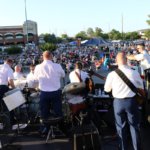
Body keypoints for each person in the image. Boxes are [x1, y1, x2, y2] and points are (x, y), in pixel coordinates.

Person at [104, 52, 144, 150]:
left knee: (120, 128)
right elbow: (141, 88)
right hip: (131, 102)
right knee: (134, 127)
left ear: (116, 62)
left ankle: (123, 148)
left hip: (118, 103)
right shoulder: (134, 72)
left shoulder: (112, 74)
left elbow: (107, 90)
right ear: (126, 60)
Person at [34, 51, 65, 120]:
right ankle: (60, 126)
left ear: (43, 57)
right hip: (56, 92)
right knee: (58, 112)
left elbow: (36, 79)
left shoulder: (38, 67)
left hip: (44, 93)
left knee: (44, 113)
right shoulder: (57, 66)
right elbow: (63, 75)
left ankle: (46, 128)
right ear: (51, 57)